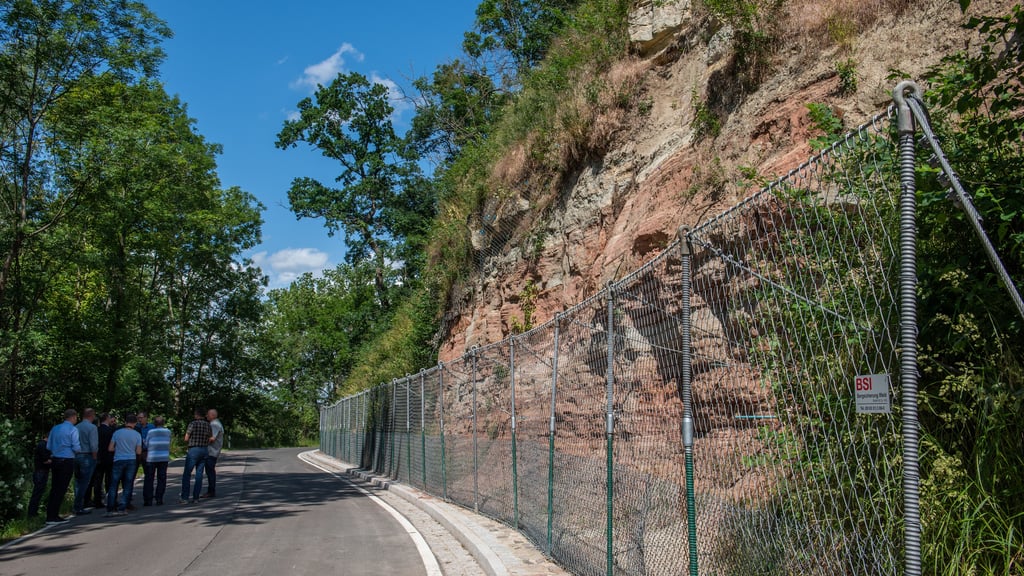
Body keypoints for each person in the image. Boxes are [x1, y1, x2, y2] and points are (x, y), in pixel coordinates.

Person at [45, 409, 80, 525]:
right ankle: (53, 516)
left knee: (55, 487)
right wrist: (77, 451)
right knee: (61, 488)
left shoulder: (55, 428)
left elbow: (49, 446)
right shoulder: (73, 429)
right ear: (73, 417)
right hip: (67, 460)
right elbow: (76, 447)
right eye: (76, 417)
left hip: (55, 459)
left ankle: (51, 514)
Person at [106, 414, 142, 517]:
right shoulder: (137, 434)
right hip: (131, 460)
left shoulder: (117, 433)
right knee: (128, 484)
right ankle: (122, 507)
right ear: (135, 423)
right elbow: (139, 451)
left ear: (125, 422)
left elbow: (110, 448)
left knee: (114, 484)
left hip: (118, 459)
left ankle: (110, 508)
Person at [180, 408, 211, 504]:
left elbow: (186, 438)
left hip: (193, 449)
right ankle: (196, 497)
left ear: (197, 415)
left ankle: (185, 497)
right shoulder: (208, 425)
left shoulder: (192, 424)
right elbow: (210, 437)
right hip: (204, 449)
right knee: (199, 474)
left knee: (187, 474)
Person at [73, 408, 98, 515]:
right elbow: (93, 444)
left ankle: (77, 504)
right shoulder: (92, 428)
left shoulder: (76, 427)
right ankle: (79, 505)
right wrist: (95, 457)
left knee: (77, 481)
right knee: (85, 482)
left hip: (76, 455)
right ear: (91, 415)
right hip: (87, 455)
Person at [143, 416, 172, 506]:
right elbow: (169, 441)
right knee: (162, 478)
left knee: (149, 478)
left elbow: (146, 444)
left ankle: (148, 500)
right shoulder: (168, 431)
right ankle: (159, 498)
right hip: (163, 457)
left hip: (152, 457)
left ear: (154, 423)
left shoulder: (151, 432)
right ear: (163, 423)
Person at [129, 411, 154, 510]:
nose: (139, 420)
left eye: (141, 417)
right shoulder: (135, 427)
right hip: (135, 452)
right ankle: (128, 497)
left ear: (146, 418)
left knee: (148, 475)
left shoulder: (151, 427)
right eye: (138, 418)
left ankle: (148, 498)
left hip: (146, 452)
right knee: (131, 475)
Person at [90, 412, 115, 509]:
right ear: (107, 419)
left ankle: (97, 500)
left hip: (98, 457)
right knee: (109, 478)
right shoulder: (111, 431)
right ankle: (110, 499)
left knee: (98, 480)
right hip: (109, 457)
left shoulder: (96, 430)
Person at [27, 434, 51, 517]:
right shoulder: (43, 445)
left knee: (38, 492)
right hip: (41, 471)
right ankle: (32, 513)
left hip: (41, 471)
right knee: (37, 492)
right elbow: (45, 460)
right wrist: (53, 461)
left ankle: (33, 512)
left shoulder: (43, 445)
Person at [202, 408, 224, 498]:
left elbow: (212, 438)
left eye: (208, 414)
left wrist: (201, 442)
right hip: (213, 450)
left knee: (210, 470)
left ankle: (211, 491)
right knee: (210, 470)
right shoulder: (216, 423)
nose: (206, 416)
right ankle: (211, 490)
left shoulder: (214, 424)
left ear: (213, 415)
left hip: (212, 451)